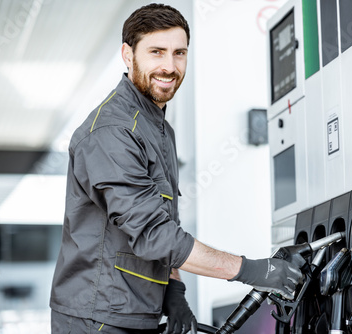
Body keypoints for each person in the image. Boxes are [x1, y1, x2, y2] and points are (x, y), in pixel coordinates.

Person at [50, 4, 303, 334]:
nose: (169, 66)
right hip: (97, 319)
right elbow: (154, 234)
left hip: (137, 313)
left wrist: (175, 291)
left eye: (179, 53)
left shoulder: (160, 130)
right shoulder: (112, 132)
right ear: (128, 55)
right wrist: (253, 270)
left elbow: (166, 222)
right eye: (156, 52)